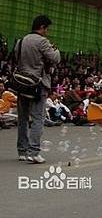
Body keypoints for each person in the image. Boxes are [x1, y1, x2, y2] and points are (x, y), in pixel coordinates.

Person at [14, 15, 60, 163]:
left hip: (21, 83)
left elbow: (16, 57)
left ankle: (22, 151)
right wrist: (56, 50)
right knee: (38, 118)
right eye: (47, 29)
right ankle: (33, 152)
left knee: (22, 119)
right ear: (42, 27)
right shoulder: (42, 42)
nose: (47, 32)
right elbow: (55, 59)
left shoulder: (21, 41)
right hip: (37, 85)